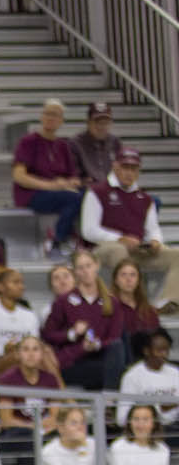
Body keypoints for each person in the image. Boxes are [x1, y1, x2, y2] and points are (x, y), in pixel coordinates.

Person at [82, 147, 179, 311]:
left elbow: (153, 229)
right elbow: (89, 230)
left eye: (133, 169)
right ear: (115, 167)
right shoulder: (97, 192)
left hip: (137, 248)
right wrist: (120, 238)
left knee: (176, 255)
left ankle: (168, 303)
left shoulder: (145, 198)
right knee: (119, 250)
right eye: (125, 167)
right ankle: (128, 304)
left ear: (138, 171)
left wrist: (155, 241)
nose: (129, 173)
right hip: (104, 248)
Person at [43, 249, 125, 391]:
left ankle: (108, 401)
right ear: (75, 272)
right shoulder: (63, 302)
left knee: (117, 350)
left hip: (101, 357)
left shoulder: (112, 302)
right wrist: (71, 334)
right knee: (107, 371)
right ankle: (107, 403)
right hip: (74, 361)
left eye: (88, 266)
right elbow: (48, 335)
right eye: (80, 268)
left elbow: (114, 337)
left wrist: (97, 344)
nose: (85, 271)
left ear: (96, 266)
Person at [12, 99, 86, 258]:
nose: (51, 118)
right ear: (41, 116)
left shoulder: (63, 145)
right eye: (48, 113)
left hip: (59, 192)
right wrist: (50, 185)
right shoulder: (29, 142)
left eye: (56, 115)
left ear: (61, 121)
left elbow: (74, 178)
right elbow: (19, 176)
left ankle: (84, 241)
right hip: (32, 193)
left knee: (88, 195)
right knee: (72, 199)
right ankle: (57, 240)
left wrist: (68, 183)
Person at [0, 334, 63, 465]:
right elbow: (6, 419)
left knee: (57, 439)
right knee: (29, 440)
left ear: (42, 354)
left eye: (35, 349)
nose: (31, 354)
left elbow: (56, 415)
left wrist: (47, 423)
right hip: (16, 433)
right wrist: (33, 426)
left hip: (42, 431)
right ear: (18, 354)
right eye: (25, 349)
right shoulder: (8, 379)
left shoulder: (49, 379)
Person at [0, 266, 38, 368]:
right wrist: (2, 349)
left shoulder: (29, 315)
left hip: (25, 363)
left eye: (22, 283)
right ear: (0, 287)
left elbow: (36, 345)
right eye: (16, 282)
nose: (22, 287)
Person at [118, 329, 179, 428]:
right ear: (146, 351)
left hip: (175, 426)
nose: (164, 355)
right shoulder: (132, 376)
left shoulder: (175, 373)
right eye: (159, 350)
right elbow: (122, 418)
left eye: (166, 350)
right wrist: (158, 409)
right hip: (148, 430)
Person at [110, 260, 165, 360]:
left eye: (133, 275)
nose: (128, 279)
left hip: (150, 360)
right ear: (116, 280)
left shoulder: (149, 310)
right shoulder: (109, 308)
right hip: (123, 360)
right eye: (123, 275)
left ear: (139, 280)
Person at [71, 101, 120, 191]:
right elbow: (74, 177)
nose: (102, 127)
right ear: (88, 123)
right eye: (98, 122)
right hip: (88, 191)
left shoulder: (114, 142)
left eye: (106, 122)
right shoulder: (76, 144)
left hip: (112, 189)